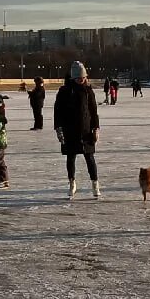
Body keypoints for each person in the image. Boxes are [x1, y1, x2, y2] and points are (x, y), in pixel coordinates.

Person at [54, 60, 101, 198]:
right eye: (79, 78)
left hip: (86, 131)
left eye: (84, 77)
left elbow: (93, 111)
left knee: (90, 158)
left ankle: (95, 184)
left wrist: (96, 128)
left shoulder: (88, 91)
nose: (82, 80)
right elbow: (58, 111)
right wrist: (58, 128)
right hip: (70, 130)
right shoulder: (64, 92)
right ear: (73, 78)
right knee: (71, 158)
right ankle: (72, 183)